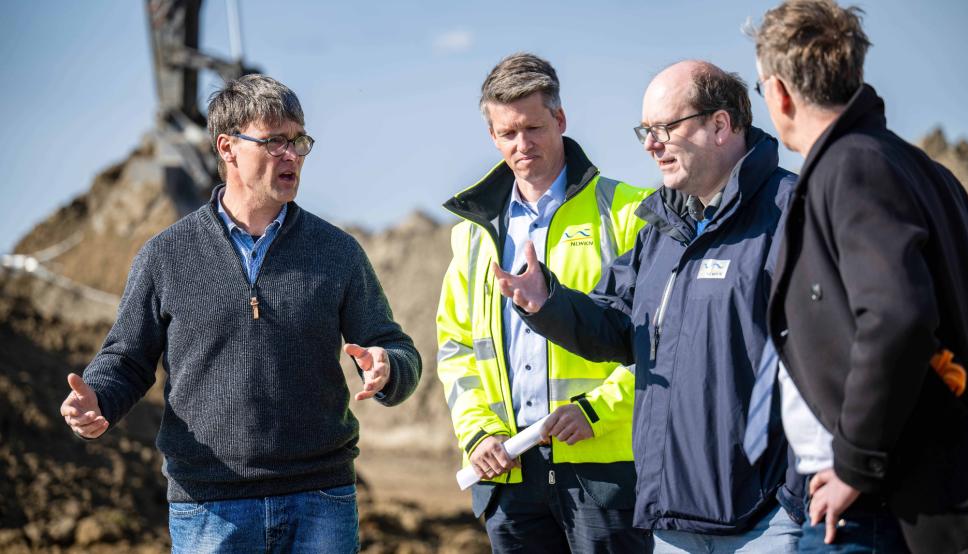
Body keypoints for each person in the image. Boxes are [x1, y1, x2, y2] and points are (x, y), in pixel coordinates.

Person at [59, 74, 421, 553]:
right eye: (274, 142)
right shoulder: (165, 256)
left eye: (298, 141)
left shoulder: (338, 253)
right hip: (209, 508)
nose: (291, 155)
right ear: (227, 147)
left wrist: (387, 365)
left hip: (320, 500)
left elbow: (398, 349)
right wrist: (97, 399)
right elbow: (127, 358)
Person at [494, 60, 805, 552]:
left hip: (767, 523)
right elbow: (617, 328)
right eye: (645, 130)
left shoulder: (791, 214)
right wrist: (547, 302)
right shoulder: (660, 230)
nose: (649, 144)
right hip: (672, 521)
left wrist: (795, 496)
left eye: (663, 128)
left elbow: (831, 364)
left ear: (720, 125)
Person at [750, 1, 968, 551]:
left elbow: (897, 316)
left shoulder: (851, 165)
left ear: (780, 92)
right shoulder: (925, 170)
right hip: (912, 489)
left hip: (871, 507)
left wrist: (855, 464)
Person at [436, 52, 653, 552]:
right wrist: (479, 435)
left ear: (560, 119)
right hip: (509, 478)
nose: (521, 144)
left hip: (604, 474)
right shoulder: (473, 235)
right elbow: (456, 349)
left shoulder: (627, 213)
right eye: (507, 133)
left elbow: (656, 340)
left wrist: (598, 412)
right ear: (492, 136)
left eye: (533, 127)